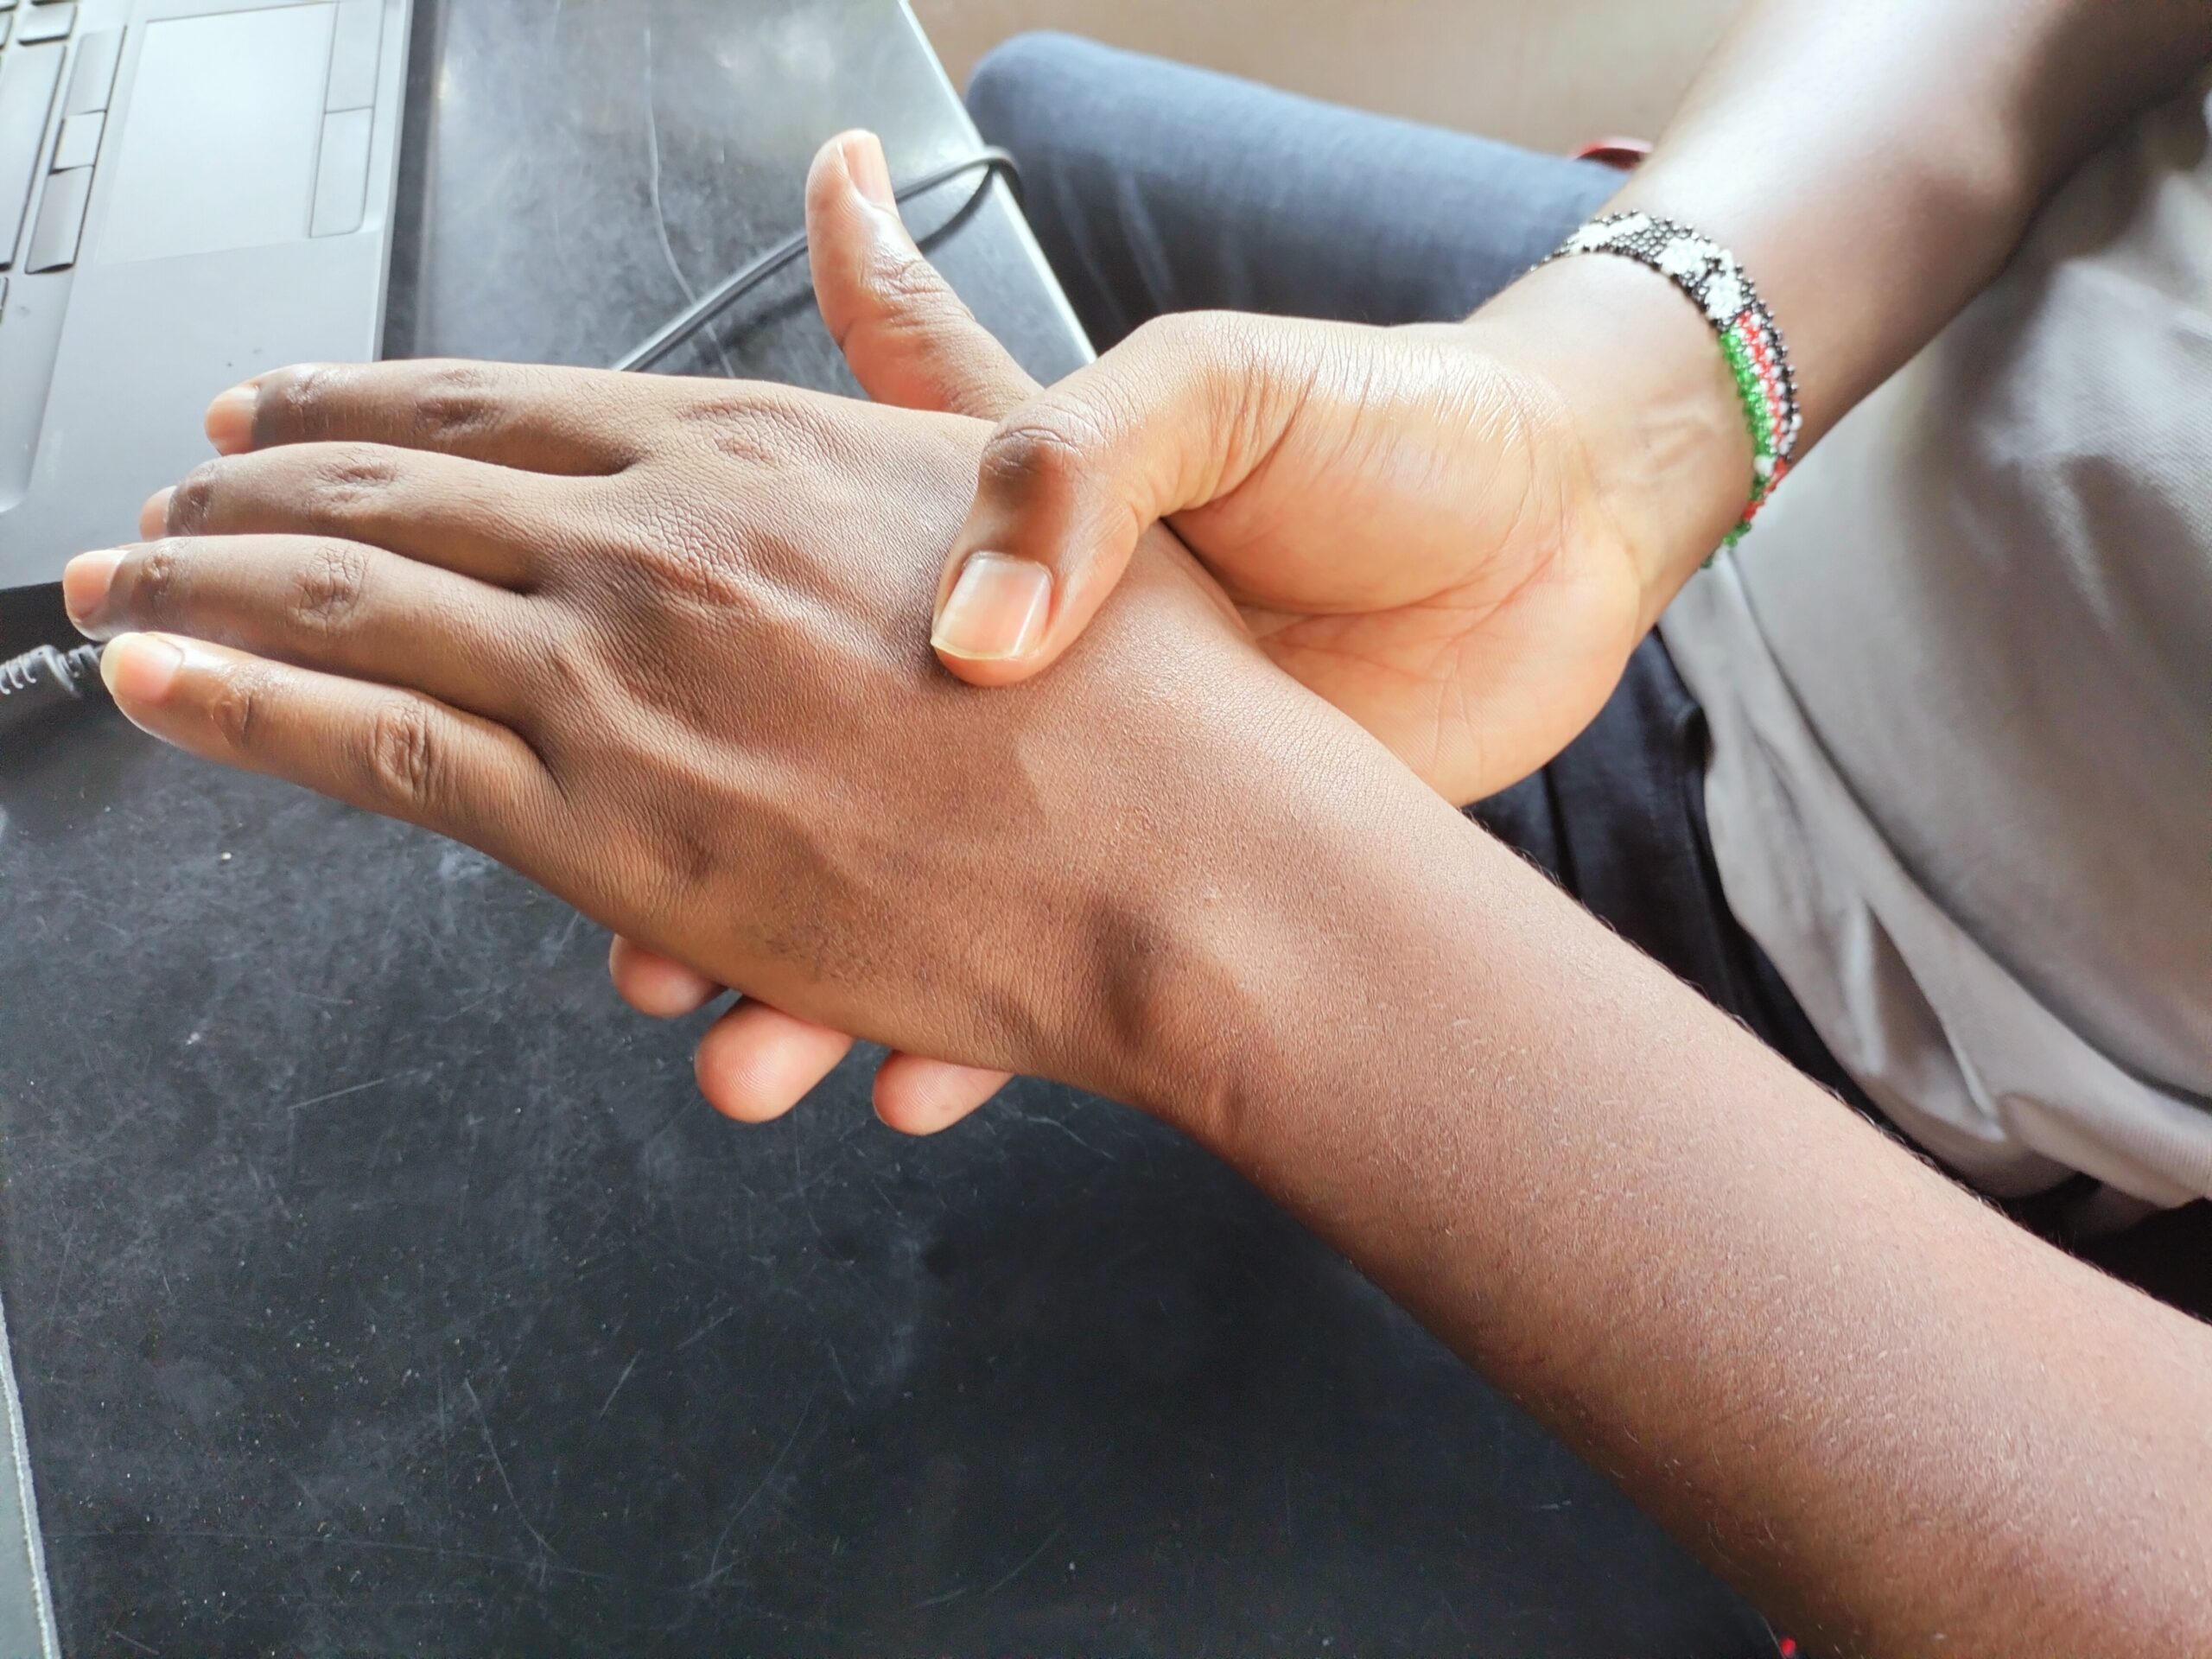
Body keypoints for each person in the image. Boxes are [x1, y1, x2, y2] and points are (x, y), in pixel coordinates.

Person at [52, 0, 2212, 1649]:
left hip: (1902, 1036)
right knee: (1043, 127)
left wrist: (1205, 897)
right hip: (1797, 413)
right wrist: (1605, 429)